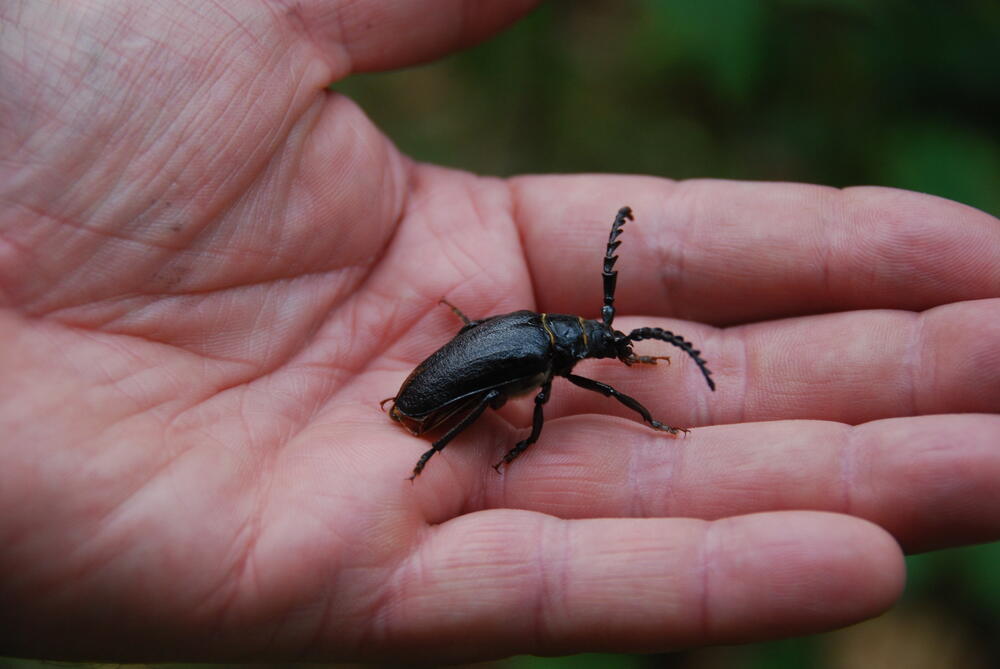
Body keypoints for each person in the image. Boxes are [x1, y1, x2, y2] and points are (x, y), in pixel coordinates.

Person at [2, 1, 998, 663]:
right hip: (429, 402)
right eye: (607, 339)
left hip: (453, 372)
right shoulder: (536, 352)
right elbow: (526, 401)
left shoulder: (540, 336)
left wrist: (623, 365)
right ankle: (431, 444)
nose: (607, 347)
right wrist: (502, 436)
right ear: (574, 341)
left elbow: (554, 366)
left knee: (507, 388)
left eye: (612, 342)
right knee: (496, 400)